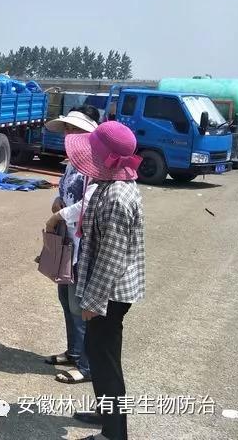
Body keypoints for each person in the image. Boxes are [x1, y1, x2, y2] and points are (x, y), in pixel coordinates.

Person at [65, 121, 145, 440]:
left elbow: (112, 256)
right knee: (97, 352)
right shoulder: (111, 186)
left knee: (105, 359)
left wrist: (93, 302)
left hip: (110, 294)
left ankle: (113, 434)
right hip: (107, 289)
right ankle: (105, 411)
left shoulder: (117, 198)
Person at [42, 106, 100, 387]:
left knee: (80, 305)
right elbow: (66, 189)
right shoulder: (73, 162)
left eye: (75, 130)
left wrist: (59, 215)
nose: (69, 134)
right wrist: (57, 200)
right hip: (68, 240)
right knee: (66, 299)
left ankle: (87, 366)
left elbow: (89, 202)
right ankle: (74, 351)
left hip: (84, 242)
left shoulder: (96, 164)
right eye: (67, 129)